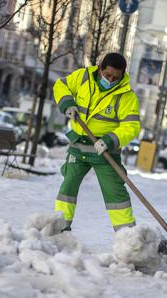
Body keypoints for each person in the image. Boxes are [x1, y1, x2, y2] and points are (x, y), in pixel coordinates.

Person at [52, 53, 141, 232]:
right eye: (107, 75)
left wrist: (110, 140)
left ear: (123, 75)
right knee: (68, 185)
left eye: (115, 77)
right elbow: (61, 85)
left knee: (115, 192)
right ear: (100, 68)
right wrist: (67, 104)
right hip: (79, 146)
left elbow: (131, 126)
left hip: (105, 152)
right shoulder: (83, 77)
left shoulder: (126, 96)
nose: (110, 80)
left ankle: (128, 236)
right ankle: (60, 227)